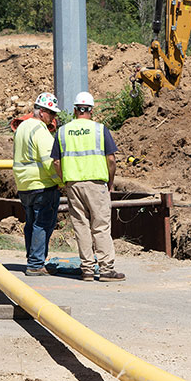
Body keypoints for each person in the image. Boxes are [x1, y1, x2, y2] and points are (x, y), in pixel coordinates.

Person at [53, 91, 124, 282]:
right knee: (100, 226)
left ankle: (87, 270)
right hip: (96, 183)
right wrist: (110, 181)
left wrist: (65, 180)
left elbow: (56, 163)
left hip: (74, 184)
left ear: (75, 110)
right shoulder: (100, 130)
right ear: (91, 110)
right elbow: (111, 159)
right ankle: (106, 269)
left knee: (81, 227)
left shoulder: (62, 131)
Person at [14, 93, 64, 276]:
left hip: (24, 184)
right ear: (42, 112)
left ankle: (33, 259)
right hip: (42, 185)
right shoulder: (40, 130)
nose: (53, 118)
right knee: (43, 224)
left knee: (31, 224)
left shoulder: (22, 127)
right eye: (52, 114)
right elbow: (50, 161)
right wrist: (60, 181)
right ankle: (35, 264)